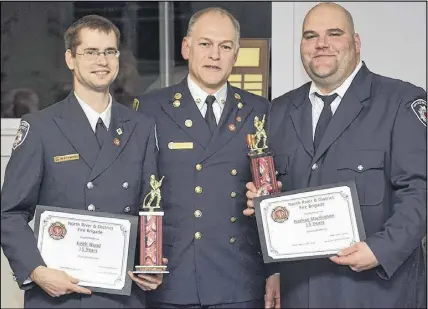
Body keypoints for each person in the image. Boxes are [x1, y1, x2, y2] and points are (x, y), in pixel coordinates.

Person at [245, 2, 426, 308]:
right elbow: (275, 197)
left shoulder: (401, 102)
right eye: (311, 36)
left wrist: (381, 249)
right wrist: (263, 204)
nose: (322, 44)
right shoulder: (278, 112)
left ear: (356, 43)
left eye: (334, 34)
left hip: (378, 293)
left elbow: (421, 190)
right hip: (300, 292)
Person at [1, 14, 165, 308]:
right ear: (70, 58)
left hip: (121, 296)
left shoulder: (141, 127)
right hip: (58, 296)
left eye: (109, 52)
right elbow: (9, 213)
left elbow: (149, 206)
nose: (102, 61)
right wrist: (37, 271)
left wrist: (149, 263)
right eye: (90, 52)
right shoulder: (41, 127)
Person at [135, 7, 276, 309]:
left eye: (225, 47)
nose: (215, 55)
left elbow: (277, 192)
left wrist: (275, 269)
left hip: (239, 278)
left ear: (236, 55)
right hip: (171, 278)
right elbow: (135, 189)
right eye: (205, 44)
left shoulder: (260, 110)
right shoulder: (149, 110)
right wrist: (138, 258)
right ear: (186, 48)